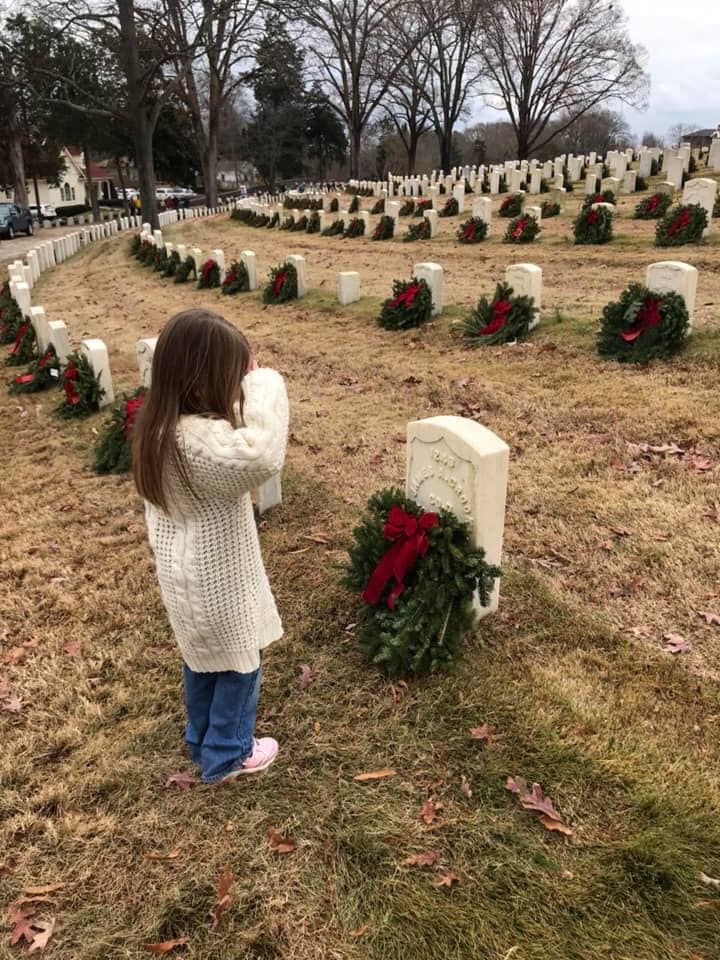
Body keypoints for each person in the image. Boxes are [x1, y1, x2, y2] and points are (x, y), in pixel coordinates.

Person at [132, 309, 289, 783]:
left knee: (202, 661)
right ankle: (227, 754)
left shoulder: (159, 428)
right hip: (217, 580)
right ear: (206, 380)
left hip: (182, 578)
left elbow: (226, 432)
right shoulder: (199, 442)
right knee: (240, 666)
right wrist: (265, 383)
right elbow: (261, 452)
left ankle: (200, 738)